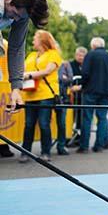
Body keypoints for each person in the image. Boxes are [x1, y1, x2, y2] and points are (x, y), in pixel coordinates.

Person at [1, 0, 49, 112]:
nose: (15, 20)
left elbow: (16, 48)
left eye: (21, 18)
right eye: (14, 14)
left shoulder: (21, 8)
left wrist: (16, 88)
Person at [20, 30, 63, 162]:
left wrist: (29, 75)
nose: (33, 41)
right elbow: (23, 70)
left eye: (35, 38)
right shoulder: (31, 55)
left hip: (46, 94)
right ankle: (25, 152)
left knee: (44, 124)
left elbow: (48, 71)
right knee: (28, 125)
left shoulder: (53, 54)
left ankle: (46, 152)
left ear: (43, 40)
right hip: (29, 94)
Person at [79, 37, 108, 153]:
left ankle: (84, 146)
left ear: (93, 45)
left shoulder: (90, 55)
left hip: (90, 90)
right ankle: (99, 145)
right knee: (102, 118)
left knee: (87, 118)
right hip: (105, 92)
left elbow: (85, 73)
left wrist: (82, 86)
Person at [56, 58, 74, 155]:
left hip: (62, 97)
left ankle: (61, 146)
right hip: (48, 95)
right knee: (44, 123)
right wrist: (62, 78)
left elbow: (70, 79)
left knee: (62, 123)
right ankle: (45, 149)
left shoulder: (65, 64)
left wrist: (63, 78)